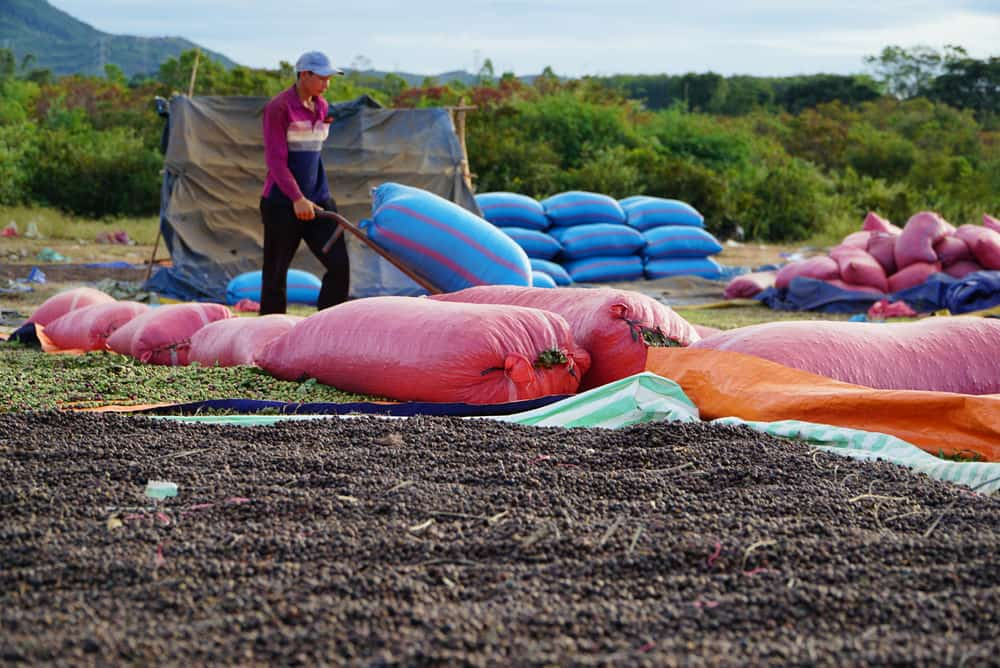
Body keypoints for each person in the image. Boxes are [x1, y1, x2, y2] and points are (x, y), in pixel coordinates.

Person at [259, 50, 349, 314]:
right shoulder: (279, 107)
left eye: (329, 78)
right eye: (322, 78)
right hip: (282, 203)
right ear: (304, 75)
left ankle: (329, 326)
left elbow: (312, 154)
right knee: (276, 272)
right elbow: (276, 161)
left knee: (339, 264)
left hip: (318, 200)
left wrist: (312, 198)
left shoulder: (321, 106)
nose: (327, 84)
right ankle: (269, 334)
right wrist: (297, 198)